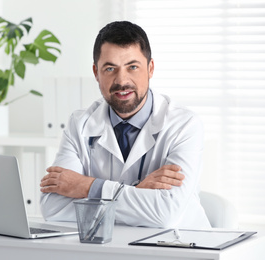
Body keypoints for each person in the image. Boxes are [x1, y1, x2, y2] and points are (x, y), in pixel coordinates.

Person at [39, 21, 211, 229]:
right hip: (113, 249)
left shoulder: (183, 125)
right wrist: (137, 190)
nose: (122, 80)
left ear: (150, 68)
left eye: (133, 67)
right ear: (96, 72)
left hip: (179, 249)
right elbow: (52, 208)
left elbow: (165, 215)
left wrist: (86, 187)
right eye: (110, 68)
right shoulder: (80, 124)